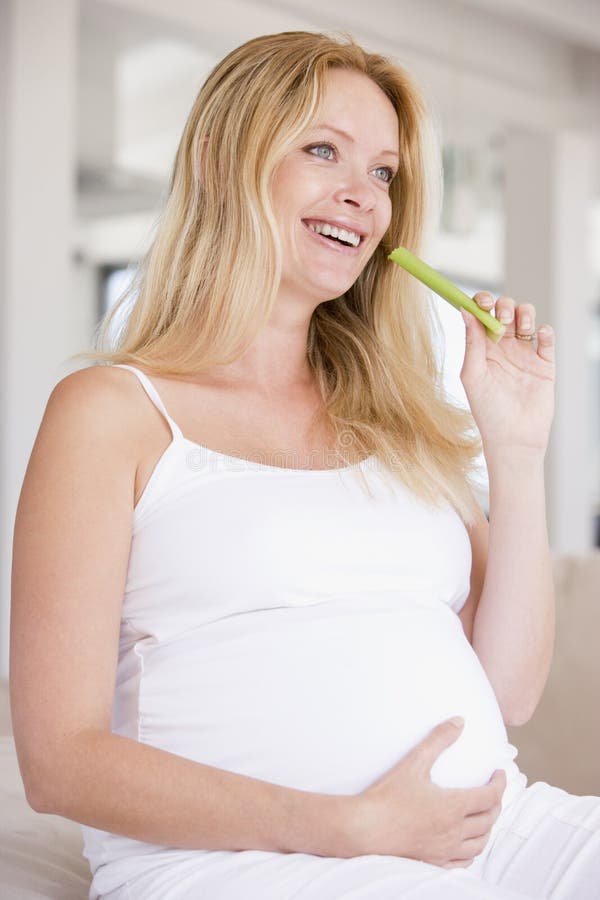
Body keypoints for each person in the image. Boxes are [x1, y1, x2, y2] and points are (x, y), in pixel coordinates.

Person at [9, 29, 599, 900]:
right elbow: (60, 762)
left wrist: (516, 451)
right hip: (244, 863)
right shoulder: (112, 411)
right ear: (219, 159)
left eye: (384, 173)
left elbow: (508, 693)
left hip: (498, 832)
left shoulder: (402, 419)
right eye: (324, 151)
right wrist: (348, 827)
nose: (362, 195)